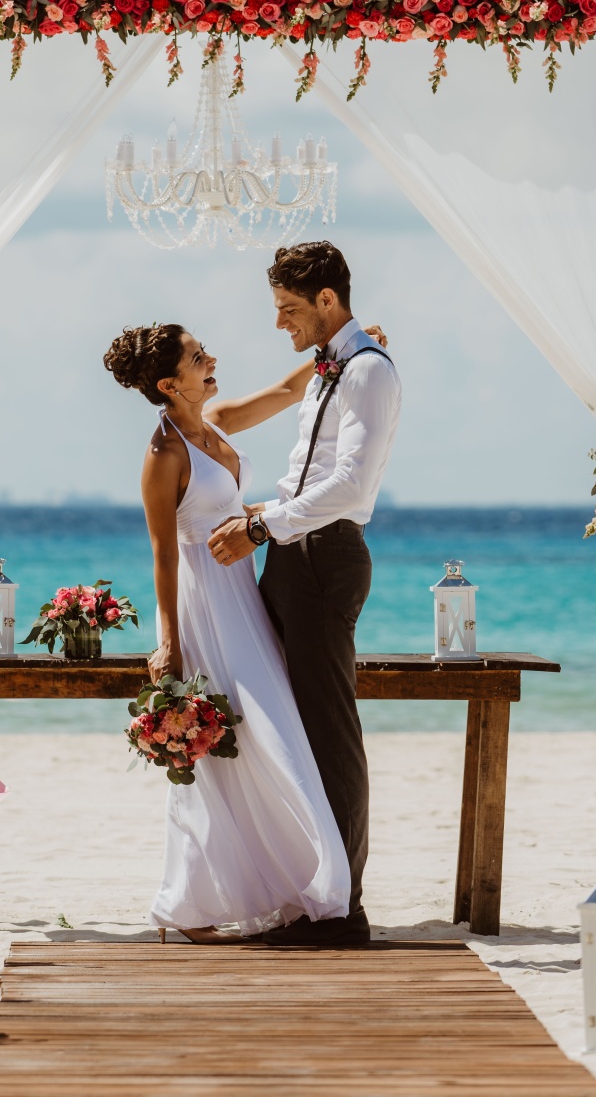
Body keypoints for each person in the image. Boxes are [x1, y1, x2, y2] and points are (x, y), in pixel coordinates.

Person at [104, 321, 354, 942]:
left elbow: (287, 389)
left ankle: (286, 884)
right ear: (169, 383)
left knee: (272, 736)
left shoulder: (211, 422)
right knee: (233, 746)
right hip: (206, 605)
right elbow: (163, 554)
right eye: (196, 357)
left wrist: (344, 347)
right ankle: (196, 904)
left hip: (245, 593)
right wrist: (169, 642)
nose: (211, 357)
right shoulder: (163, 454)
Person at [207, 241, 402, 946]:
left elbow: (350, 485)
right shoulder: (329, 368)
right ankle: (306, 893)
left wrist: (260, 525)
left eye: (290, 310)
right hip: (292, 551)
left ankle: (343, 912)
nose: (281, 324)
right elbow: (305, 471)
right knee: (286, 728)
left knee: (328, 730)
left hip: (325, 557)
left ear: (328, 300)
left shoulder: (369, 374)